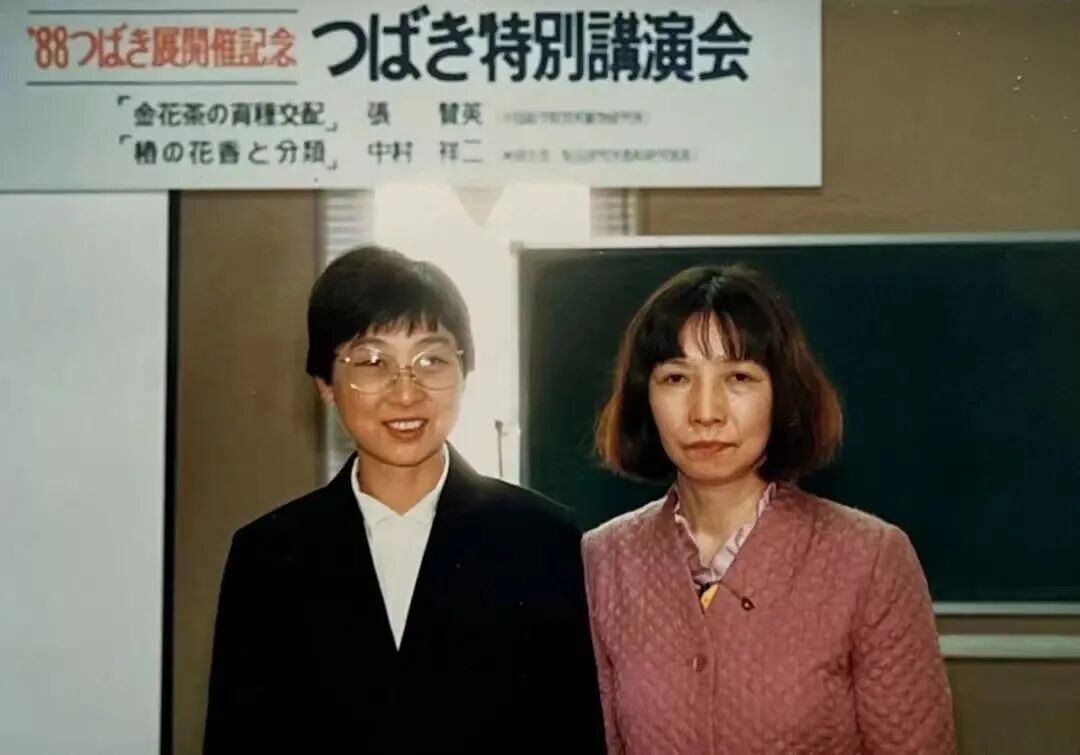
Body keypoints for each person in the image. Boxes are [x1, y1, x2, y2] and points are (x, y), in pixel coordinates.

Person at [204, 245, 604, 754]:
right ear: (325, 383)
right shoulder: (267, 555)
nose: (406, 392)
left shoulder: (543, 539)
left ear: (464, 372)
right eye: (373, 362)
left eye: (431, 360)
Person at [583, 264, 955, 754]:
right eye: (675, 378)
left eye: (738, 377)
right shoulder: (602, 561)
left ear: (782, 394)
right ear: (644, 398)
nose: (706, 412)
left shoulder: (870, 560)